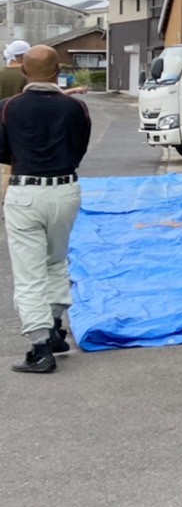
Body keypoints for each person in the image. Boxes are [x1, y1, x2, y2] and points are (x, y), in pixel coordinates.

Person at [2, 45, 91, 373]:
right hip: (66, 188)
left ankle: (40, 348)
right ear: (58, 72)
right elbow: (78, 149)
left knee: (29, 274)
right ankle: (54, 328)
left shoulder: (8, 108)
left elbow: (3, 154)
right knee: (56, 262)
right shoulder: (76, 108)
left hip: (25, 192)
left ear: (23, 71)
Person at [0, 39, 29, 202]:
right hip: (23, 124)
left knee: (6, 165)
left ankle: (6, 198)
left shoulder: (1, 74)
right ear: (22, 57)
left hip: (3, 124)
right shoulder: (26, 75)